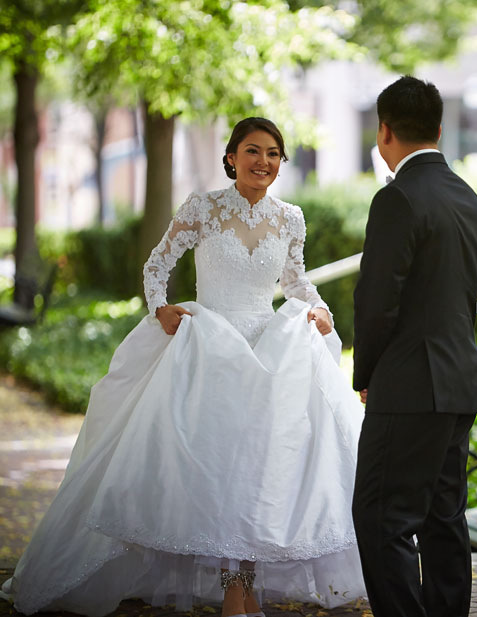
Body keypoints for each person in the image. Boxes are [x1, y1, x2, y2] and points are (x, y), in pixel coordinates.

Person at [0, 117, 367, 617]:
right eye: (253, 151)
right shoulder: (204, 207)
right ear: (232, 157)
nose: (264, 162)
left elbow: (296, 280)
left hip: (270, 353)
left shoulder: (291, 218)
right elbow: (157, 265)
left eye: (274, 153)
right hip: (208, 349)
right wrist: (160, 308)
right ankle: (234, 588)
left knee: (260, 466)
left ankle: (245, 584)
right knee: (216, 467)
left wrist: (318, 307)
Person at [351, 76, 477, 617]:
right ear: (438, 128)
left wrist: (365, 373)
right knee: (443, 520)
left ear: (384, 131)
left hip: (410, 385)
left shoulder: (397, 197)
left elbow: (377, 300)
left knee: (381, 518)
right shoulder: (468, 198)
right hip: (460, 383)